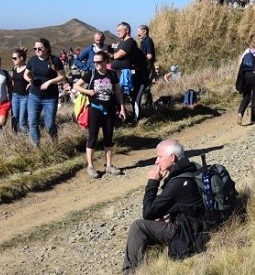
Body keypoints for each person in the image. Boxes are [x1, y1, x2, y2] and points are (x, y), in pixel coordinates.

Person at [123, 139, 206, 273]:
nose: (156, 161)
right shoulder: (190, 169)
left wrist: (152, 183)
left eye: (160, 156)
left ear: (172, 157)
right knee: (153, 221)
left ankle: (130, 272)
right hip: (195, 225)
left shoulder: (178, 182)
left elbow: (148, 212)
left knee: (138, 226)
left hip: (187, 232)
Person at [75, 51, 126, 178]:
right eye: (94, 62)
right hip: (95, 109)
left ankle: (109, 165)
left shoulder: (112, 74)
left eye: (99, 62)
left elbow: (118, 91)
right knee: (92, 137)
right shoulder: (91, 74)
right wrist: (88, 91)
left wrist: (122, 107)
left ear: (106, 62)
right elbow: (76, 85)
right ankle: (90, 166)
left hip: (109, 110)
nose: (96, 64)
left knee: (109, 137)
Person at [24, 38, 65, 147]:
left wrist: (50, 82)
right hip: (34, 96)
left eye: (40, 48)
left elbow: (62, 76)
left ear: (46, 49)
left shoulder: (55, 60)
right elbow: (26, 74)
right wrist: (30, 80)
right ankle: (36, 147)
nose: (37, 50)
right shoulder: (32, 60)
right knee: (32, 122)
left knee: (49, 124)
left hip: (50, 97)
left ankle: (55, 144)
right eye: (35, 48)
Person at [111, 22, 146, 126]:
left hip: (125, 75)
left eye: (119, 30)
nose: (117, 32)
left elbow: (117, 55)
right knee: (119, 97)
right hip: (117, 74)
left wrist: (111, 55)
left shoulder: (130, 42)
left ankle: (134, 120)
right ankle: (123, 117)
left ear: (127, 30)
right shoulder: (122, 42)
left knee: (132, 98)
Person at [9, 48, 30, 133]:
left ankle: (25, 136)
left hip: (24, 97)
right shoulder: (14, 68)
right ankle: (16, 135)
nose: (12, 60)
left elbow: (34, 80)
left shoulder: (28, 69)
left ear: (21, 58)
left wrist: (30, 83)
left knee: (22, 120)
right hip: (15, 96)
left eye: (14, 58)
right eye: (12, 58)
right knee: (15, 117)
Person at [138, 25, 157, 105]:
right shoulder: (144, 41)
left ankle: (145, 105)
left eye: (139, 31)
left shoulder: (148, 41)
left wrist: (140, 59)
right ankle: (149, 105)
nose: (138, 33)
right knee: (146, 87)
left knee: (145, 87)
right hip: (145, 67)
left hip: (147, 68)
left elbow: (149, 56)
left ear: (144, 31)